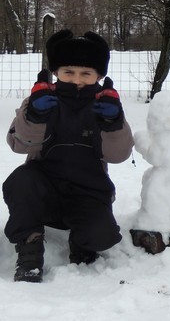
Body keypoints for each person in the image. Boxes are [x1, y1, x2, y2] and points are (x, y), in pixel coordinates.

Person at [3, 30, 134, 282]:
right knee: (21, 180)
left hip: (88, 192)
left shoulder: (105, 105)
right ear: (56, 72)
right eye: (69, 72)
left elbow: (118, 155)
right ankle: (30, 249)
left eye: (86, 73)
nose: (77, 79)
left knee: (101, 236)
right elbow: (18, 144)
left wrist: (112, 122)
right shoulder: (41, 99)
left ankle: (83, 241)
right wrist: (35, 116)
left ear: (99, 75)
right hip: (44, 192)